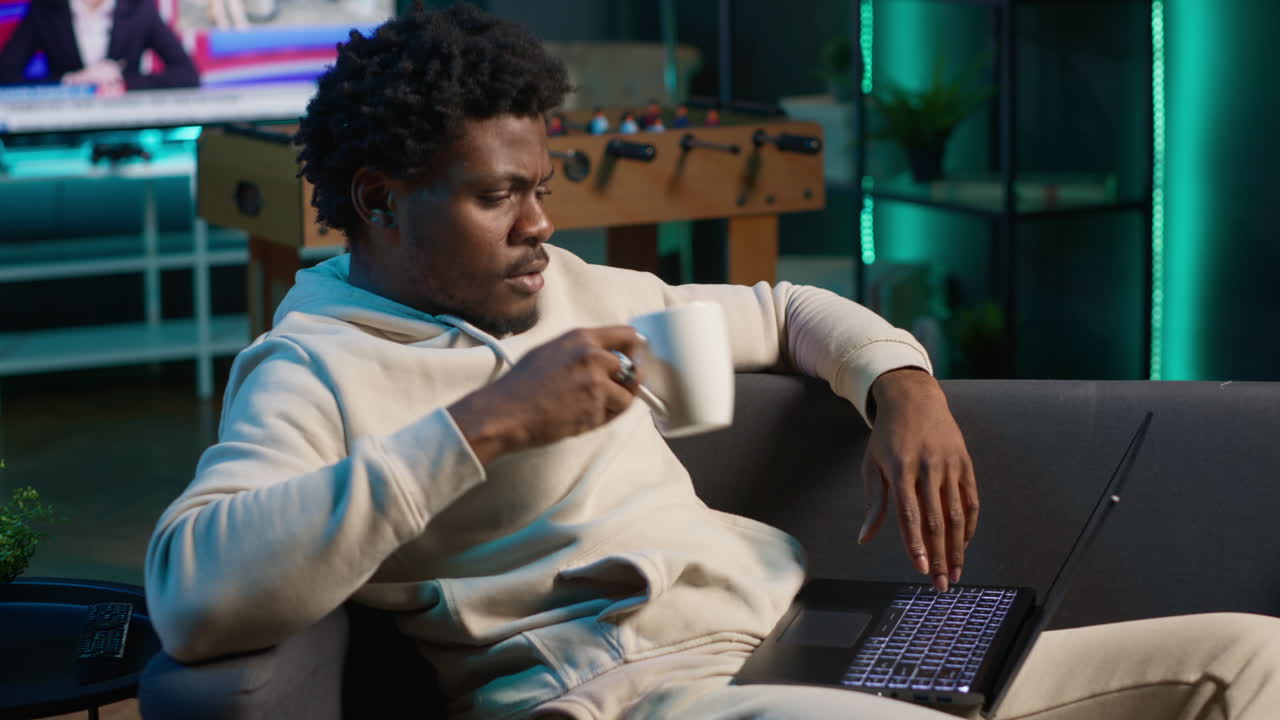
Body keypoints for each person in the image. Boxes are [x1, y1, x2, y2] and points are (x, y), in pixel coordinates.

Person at [145, 5, 1280, 720]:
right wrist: (486, 422)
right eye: (499, 197)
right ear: (380, 203)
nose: (539, 224)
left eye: (541, 187)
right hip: (632, 696)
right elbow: (194, 599)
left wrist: (903, 386)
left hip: (799, 641)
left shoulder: (584, 292)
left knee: (1246, 660)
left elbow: (784, 309)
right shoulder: (311, 366)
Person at [0, 0, 199, 92]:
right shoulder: (46, 9)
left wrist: (124, 84)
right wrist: (68, 82)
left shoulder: (139, 8)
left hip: (126, 127)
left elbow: (186, 74)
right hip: (65, 129)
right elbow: (5, 75)